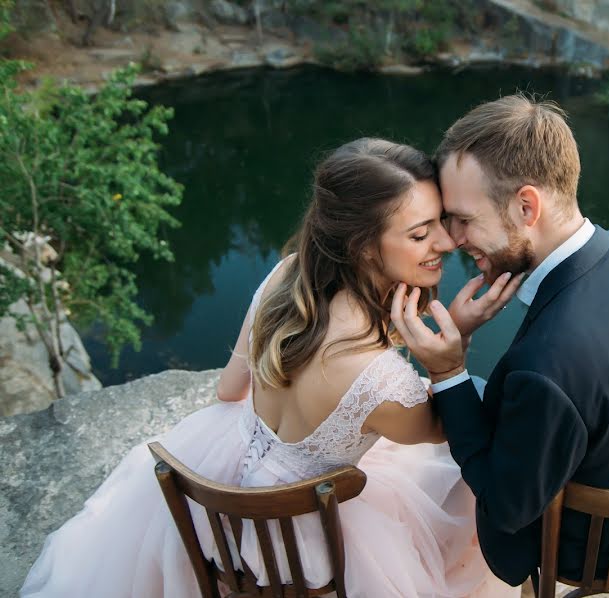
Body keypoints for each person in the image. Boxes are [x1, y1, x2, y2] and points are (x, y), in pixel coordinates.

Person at [21, 138, 518, 598]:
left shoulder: (288, 274)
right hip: (304, 536)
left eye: (441, 222)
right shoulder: (378, 377)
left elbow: (228, 389)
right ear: (364, 245)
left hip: (223, 497)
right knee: (475, 478)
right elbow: (452, 431)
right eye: (420, 232)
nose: (447, 243)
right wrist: (455, 343)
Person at [391, 95, 609, 588]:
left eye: (464, 218)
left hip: (600, 548)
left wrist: (447, 372)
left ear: (526, 206)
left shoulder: (545, 366)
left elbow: (505, 505)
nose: (454, 239)